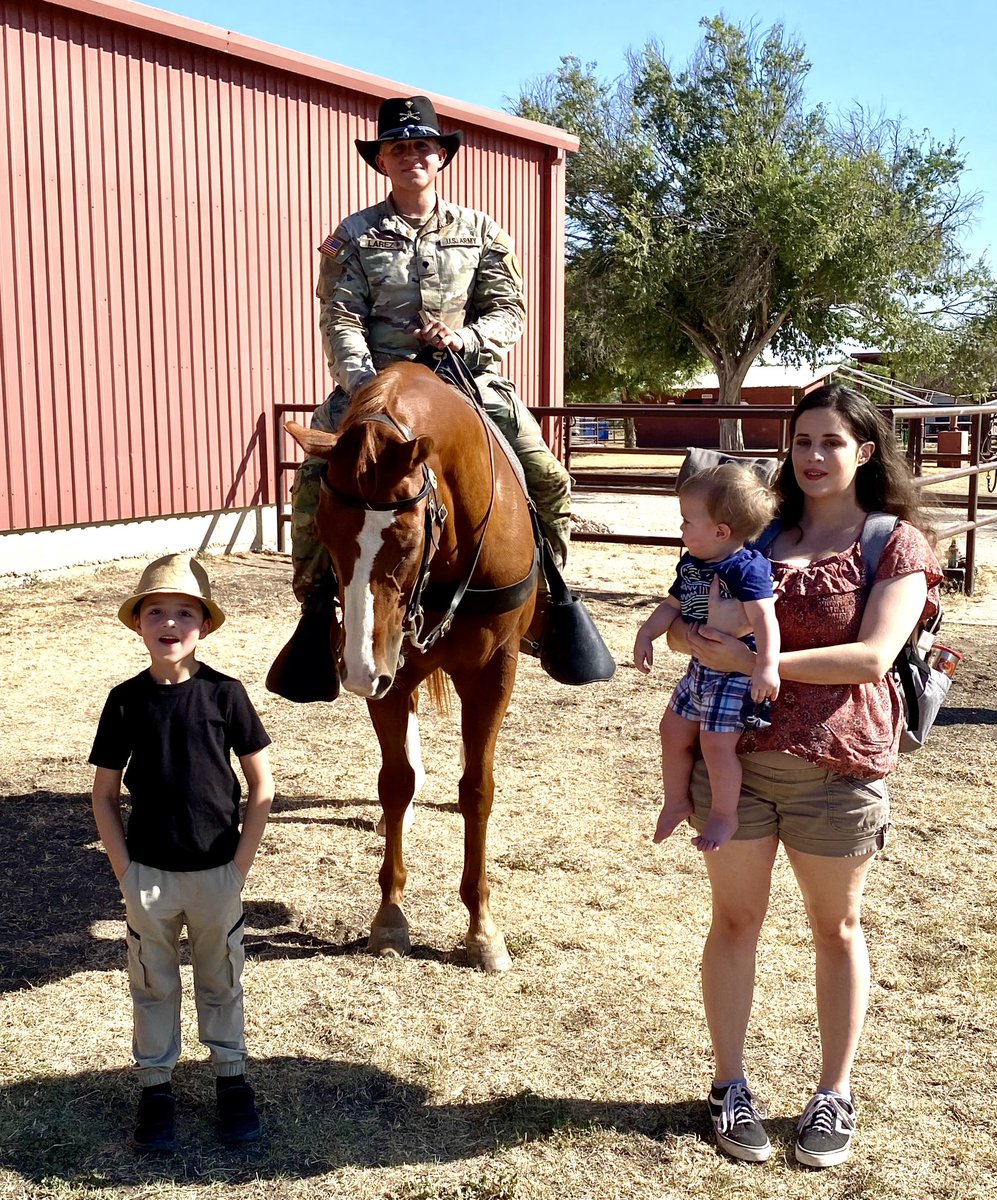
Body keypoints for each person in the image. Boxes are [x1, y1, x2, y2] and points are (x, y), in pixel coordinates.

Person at [664, 385, 941, 1168]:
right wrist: (683, 633)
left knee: (836, 929)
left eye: (830, 442)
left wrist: (757, 659)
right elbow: (693, 613)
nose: (813, 456)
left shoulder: (894, 544)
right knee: (733, 924)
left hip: (837, 766)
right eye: (801, 442)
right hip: (735, 770)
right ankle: (728, 1087)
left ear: (863, 451)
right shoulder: (758, 531)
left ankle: (832, 1093)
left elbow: (872, 657)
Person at [268, 95, 572, 702]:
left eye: (422, 146)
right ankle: (315, 613)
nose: (411, 156)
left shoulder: (483, 231)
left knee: (548, 477)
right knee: (311, 485)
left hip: (464, 380)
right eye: (398, 147)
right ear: (382, 161)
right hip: (373, 388)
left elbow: (508, 310)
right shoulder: (351, 236)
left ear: (441, 157)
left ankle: (550, 604)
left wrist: (467, 337)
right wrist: (365, 393)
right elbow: (340, 316)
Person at [89, 554, 274, 1154]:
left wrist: (237, 869)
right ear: (139, 622)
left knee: (221, 980)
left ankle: (231, 1079)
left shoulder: (226, 694)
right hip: (149, 877)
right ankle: (156, 1088)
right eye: (157, 612)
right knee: (153, 983)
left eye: (184, 613)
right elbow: (105, 795)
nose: (170, 623)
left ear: (204, 623)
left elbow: (261, 786)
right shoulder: (124, 701)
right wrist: (125, 870)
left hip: (217, 875)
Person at [633, 464, 780, 852]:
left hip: (733, 674)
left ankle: (723, 815)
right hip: (699, 667)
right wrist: (647, 632)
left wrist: (765, 665)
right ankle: (676, 800)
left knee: (717, 745)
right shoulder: (693, 564)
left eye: (687, 521)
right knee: (672, 731)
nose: (681, 529)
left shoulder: (746, 568)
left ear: (721, 532)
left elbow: (765, 617)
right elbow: (671, 605)